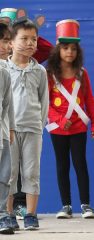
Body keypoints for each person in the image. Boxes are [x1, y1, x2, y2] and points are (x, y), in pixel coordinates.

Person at [0, 7, 53, 222]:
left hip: (32, 129)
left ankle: (31, 214)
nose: (31, 43)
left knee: (32, 172)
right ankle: (8, 213)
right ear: (10, 42)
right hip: (9, 130)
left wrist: (39, 126)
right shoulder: (4, 68)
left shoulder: (39, 70)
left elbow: (44, 101)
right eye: (24, 38)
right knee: (9, 174)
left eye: (34, 39)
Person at [46, 19, 94, 219]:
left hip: (78, 128)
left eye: (74, 49)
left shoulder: (81, 73)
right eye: (66, 48)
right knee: (62, 165)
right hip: (57, 128)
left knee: (80, 164)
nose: (70, 52)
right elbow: (45, 104)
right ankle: (66, 205)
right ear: (58, 50)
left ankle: (86, 204)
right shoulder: (49, 74)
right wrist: (59, 119)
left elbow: (90, 100)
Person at [0, 22, 15, 235]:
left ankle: (2, 214)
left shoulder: (5, 71)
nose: (6, 46)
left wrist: (10, 128)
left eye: (7, 41)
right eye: (3, 41)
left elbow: (8, 104)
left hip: (2, 132)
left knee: (4, 174)